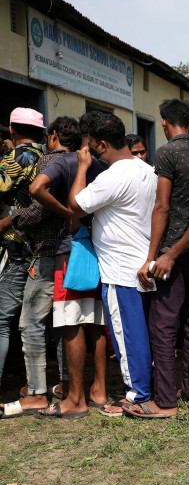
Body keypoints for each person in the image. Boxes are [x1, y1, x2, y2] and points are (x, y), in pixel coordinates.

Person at [60, 112, 157, 418]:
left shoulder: (113, 176)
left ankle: (137, 395)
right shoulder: (147, 170)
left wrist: (82, 167)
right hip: (143, 263)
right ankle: (144, 389)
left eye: (91, 145)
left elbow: (76, 204)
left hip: (121, 269)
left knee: (127, 336)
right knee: (141, 333)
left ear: (101, 145)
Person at [22, 114, 110, 416]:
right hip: (97, 248)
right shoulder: (102, 164)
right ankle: (99, 390)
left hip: (69, 250)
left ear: (56, 136)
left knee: (71, 322)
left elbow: (36, 189)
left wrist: (66, 214)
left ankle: (75, 399)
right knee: (96, 322)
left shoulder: (62, 162)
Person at [135, 99, 189, 417]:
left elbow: (162, 206)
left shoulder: (166, 152)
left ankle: (165, 399)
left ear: (165, 123)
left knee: (163, 324)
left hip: (174, 250)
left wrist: (152, 257)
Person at [0, 108, 46, 418]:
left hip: (15, 247)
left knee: (2, 320)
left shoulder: (15, 158)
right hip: (38, 249)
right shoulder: (46, 156)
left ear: (13, 131)